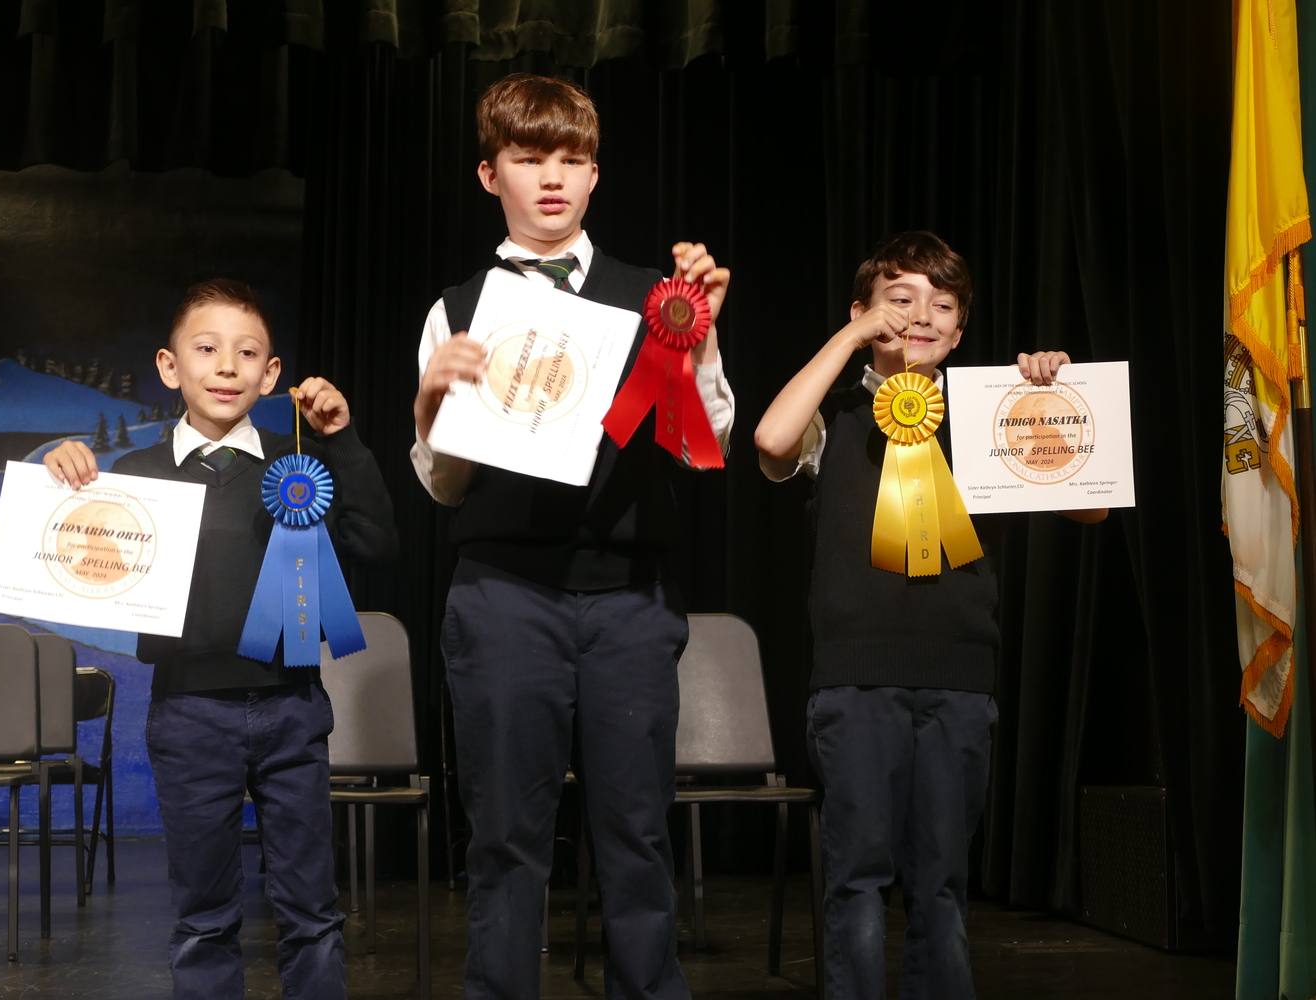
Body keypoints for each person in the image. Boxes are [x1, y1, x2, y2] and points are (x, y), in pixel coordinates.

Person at [410, 73, 734, 1000]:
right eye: (528, 158)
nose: (552, 178)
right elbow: (443, 486)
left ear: (595, 176)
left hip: (631, 598)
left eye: (573, 158)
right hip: (505, 596)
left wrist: (702, 343)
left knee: (634, 832)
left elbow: (695, 444)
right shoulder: (456, 308)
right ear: (489, 174)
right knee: (505, 837)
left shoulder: (659, 298)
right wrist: (429, 407)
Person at [753, 231, 1105, 1000]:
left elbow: (1093, 508)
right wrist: (849, 340)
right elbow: (773, 440)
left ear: (960, 327)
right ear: (864, 310)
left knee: (942, 886)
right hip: (855, 684)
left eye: (942, 305)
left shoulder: (991, 414)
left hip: (959, 680)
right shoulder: (836, 414)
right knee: (857, 882)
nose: (921, 316)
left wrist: (1052, 399)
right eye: (899, 299)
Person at [44, 278, 398, 1000]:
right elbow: (66, 562)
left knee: (312, 914)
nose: (227, 366)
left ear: (271, 374)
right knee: (204, 917)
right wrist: (61, 479)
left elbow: (380, 545)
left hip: (293, 709)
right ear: (171, 367)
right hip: (188, 715)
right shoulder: (132, 477)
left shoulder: (301, 466)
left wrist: (344, 440)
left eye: (248, 353)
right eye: (206, 349)